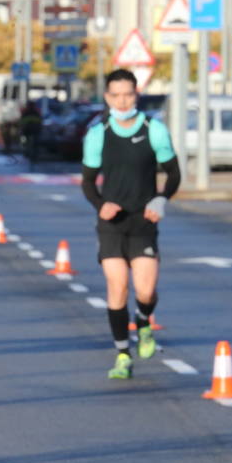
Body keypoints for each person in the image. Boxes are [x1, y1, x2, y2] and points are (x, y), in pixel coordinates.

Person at [79, 68, 181, 380]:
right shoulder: (99, 132)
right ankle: (123, 353)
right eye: (116, 95)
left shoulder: (154, 129)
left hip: (143, 220)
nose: (122, 101)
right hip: (111, 223)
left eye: (128, 94)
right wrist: (101, 205)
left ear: (136, 95)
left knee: (146, 290)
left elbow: (173, 173)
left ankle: (145, 322)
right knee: (117, 285)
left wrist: (160, 199)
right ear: (107, 98)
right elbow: (87, 182)